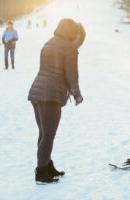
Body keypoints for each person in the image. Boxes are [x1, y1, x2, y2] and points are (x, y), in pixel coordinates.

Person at [28, 18, 86, 184]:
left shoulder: (49, 42)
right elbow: (72, 74)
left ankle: (47, 166)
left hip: (36, 93)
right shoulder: (69, 47)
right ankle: (41, 173)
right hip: (50, 95)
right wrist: (77, 94)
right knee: (48, 135)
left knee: (44, 134)